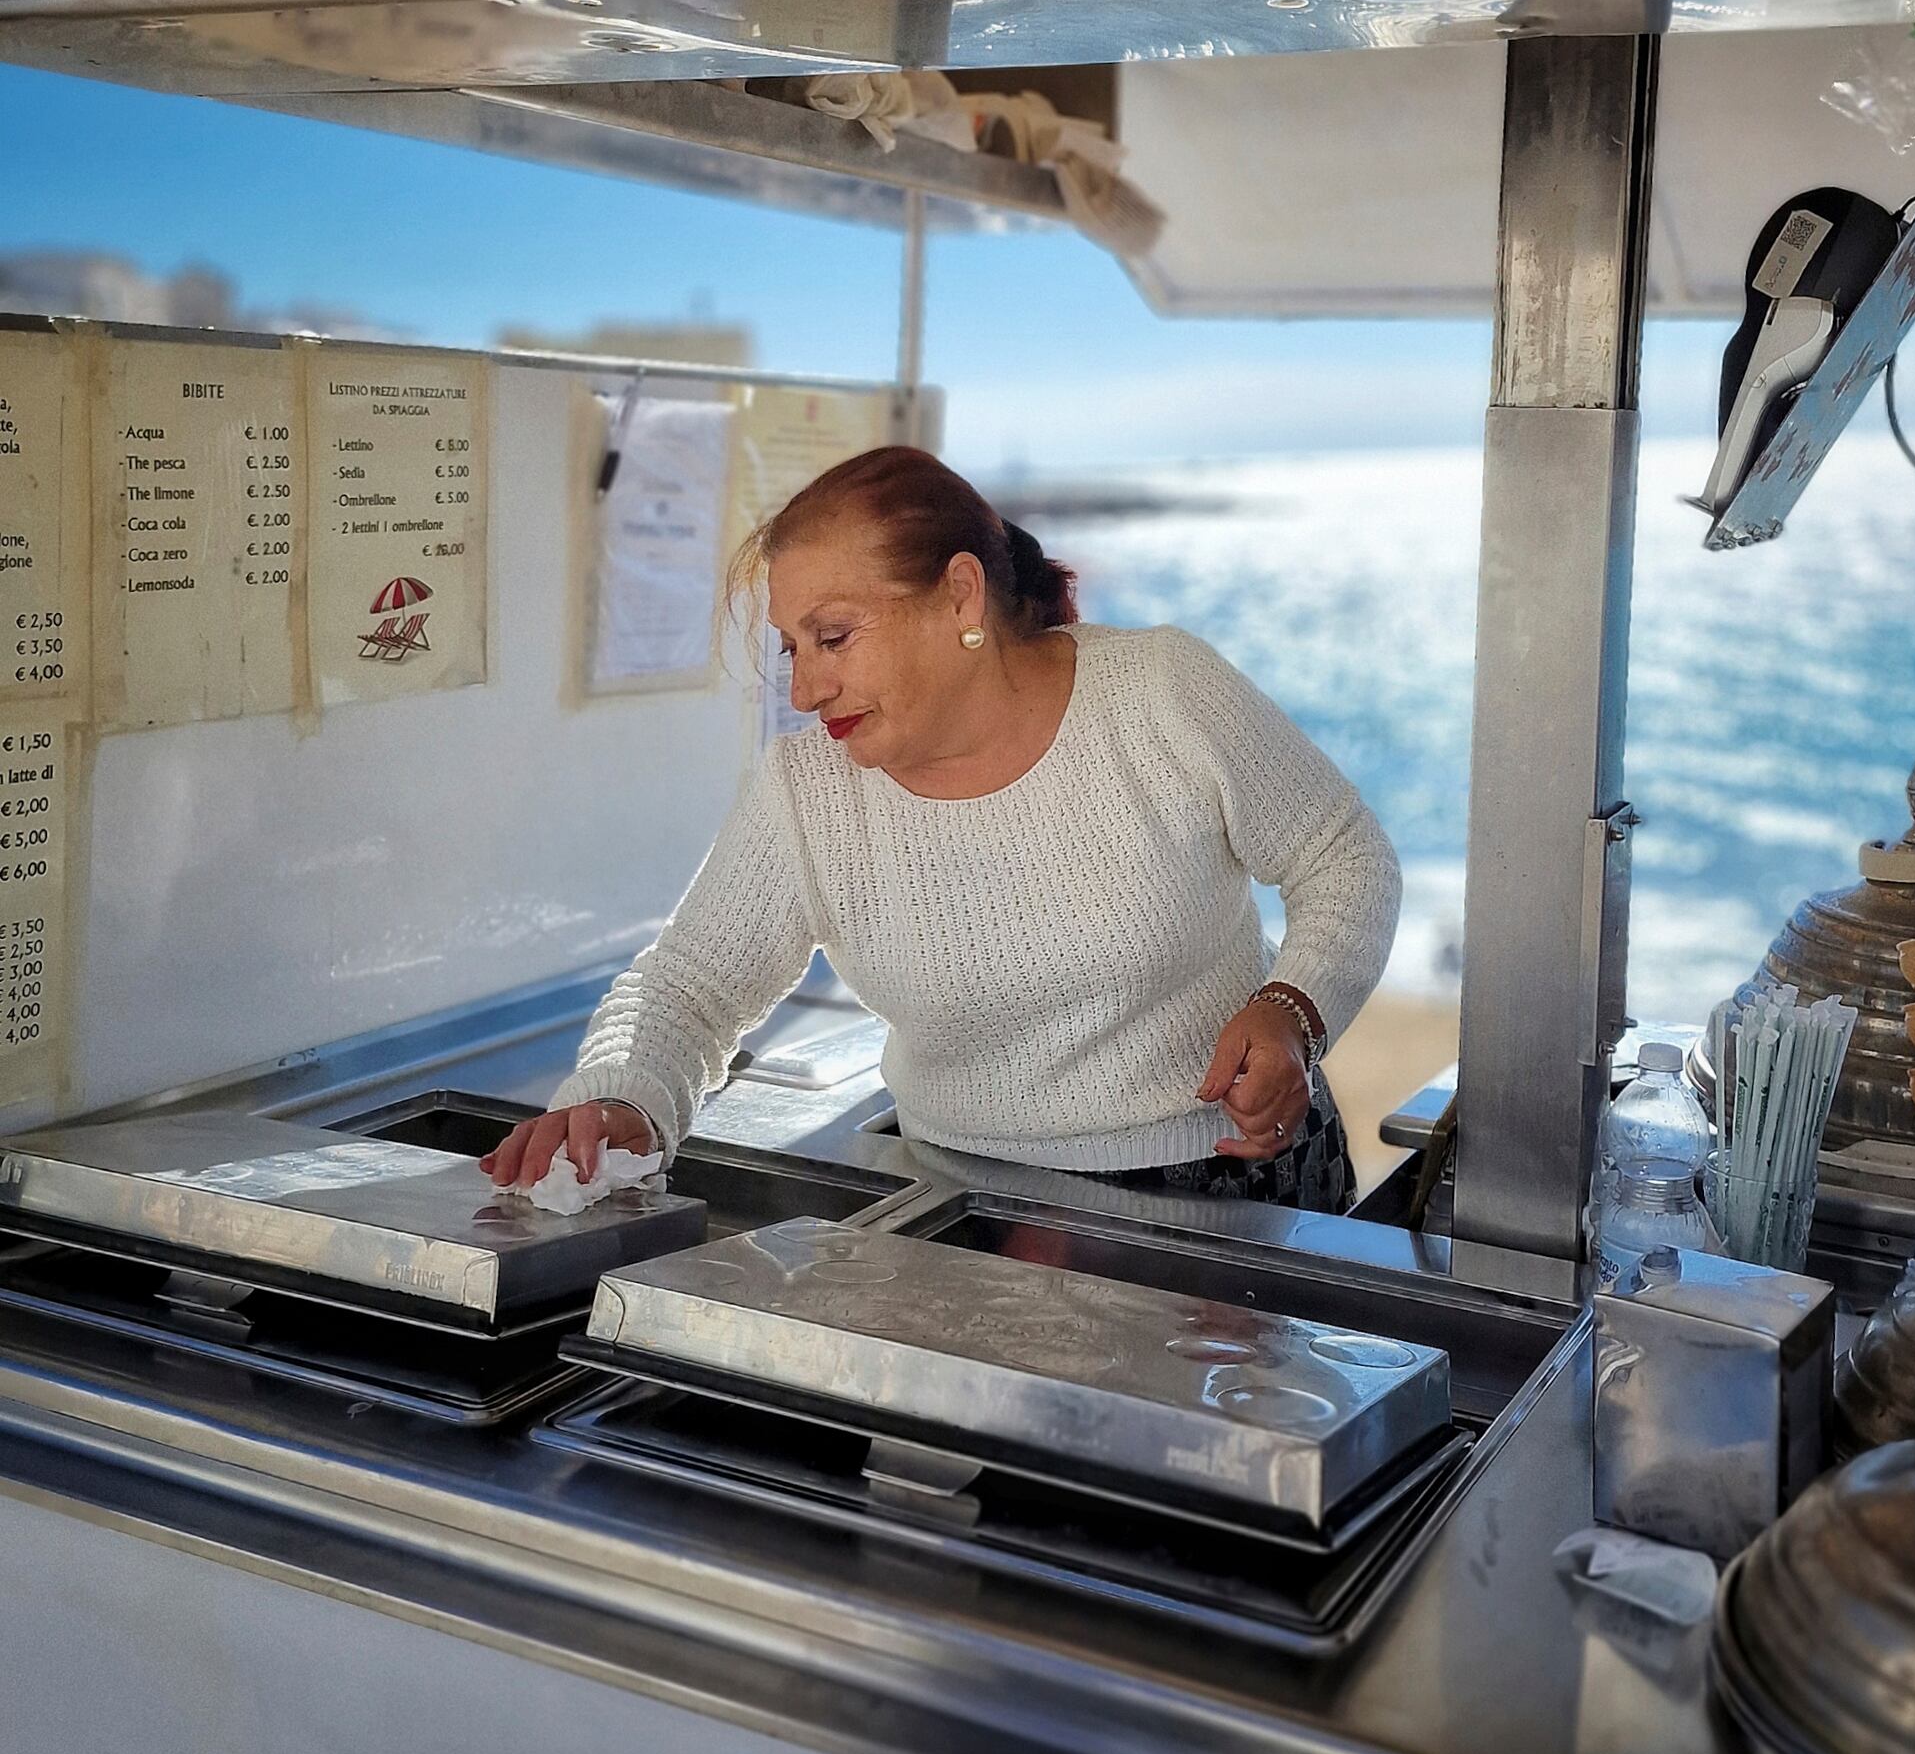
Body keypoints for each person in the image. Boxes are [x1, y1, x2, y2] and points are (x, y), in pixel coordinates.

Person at [487, 446, 1399, 1209]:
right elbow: (689, 985)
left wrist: (1293, 1010)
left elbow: (1343, 857)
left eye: (833, 637)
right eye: (791, 651)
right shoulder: (809, 788)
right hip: (964, 1210)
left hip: (1231, 1191)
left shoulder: (1159, 694)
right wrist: (619, 1098)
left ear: (961, 597)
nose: (804, 691)